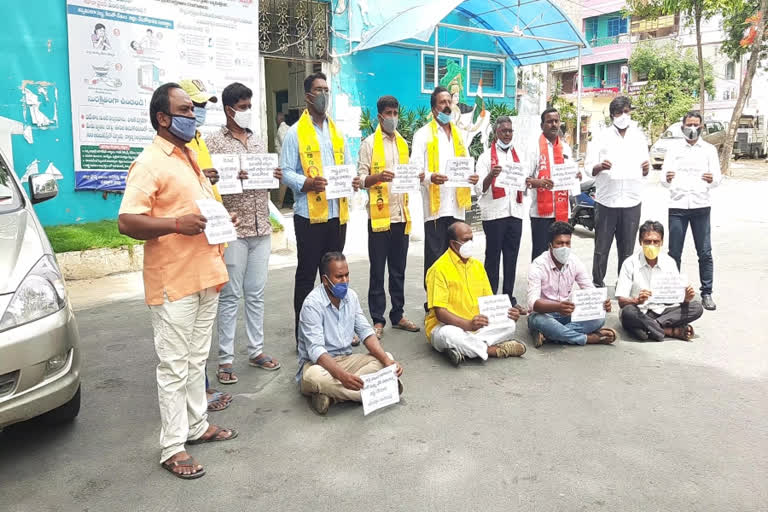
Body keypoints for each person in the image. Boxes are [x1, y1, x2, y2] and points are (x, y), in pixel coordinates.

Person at [117, 83, 237, 479]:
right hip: (174, 281)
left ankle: (197, 426)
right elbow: (127, 220)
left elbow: (198, 212)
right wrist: (175, 225)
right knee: (172, 365)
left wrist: (221, 223)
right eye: (186, 110)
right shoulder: (150, 162)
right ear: (163, 118)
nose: (194, 116)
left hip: (206, 275)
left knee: (194, 361)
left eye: (194, 110)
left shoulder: (190, 157)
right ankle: (172, 446)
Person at [206, 82, 283, 383]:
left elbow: (263, 177)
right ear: (229, 110)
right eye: (243, 107)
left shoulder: (258, 140)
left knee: (256, 292)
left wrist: (272, 175)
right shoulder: (213, 143)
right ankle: (225, 360)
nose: (248, 112)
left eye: (250, 106)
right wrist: (227, 176)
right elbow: (207, 182)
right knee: (229, 295)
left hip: (261, 226)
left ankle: (256, 350)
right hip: (233, 228)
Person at [281, 72, 361, 344]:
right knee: (306, 275)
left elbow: (347, 166)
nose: (324, 94)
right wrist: (307, 182)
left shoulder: (336, 131)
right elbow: (285, 172)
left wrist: (353, 180)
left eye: (327, 88)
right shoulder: (295, 133)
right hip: (309, 217)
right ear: (308, 96)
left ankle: (338, 330)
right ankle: (305, 336)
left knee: (335, 275)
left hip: (336, 215)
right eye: (319, 89)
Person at [297, 252, 404, 415]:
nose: (345, 281)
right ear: (325, 280)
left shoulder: (351, 296)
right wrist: (342, 376)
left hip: (346, 360)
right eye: (339, 277)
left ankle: (332, 397)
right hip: (319, 365)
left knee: (385, 357)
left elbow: (366, 333)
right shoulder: (312, 304)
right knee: (314, 376)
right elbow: (316, 351)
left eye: (347, 275)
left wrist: (387, 362)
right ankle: (374, 392)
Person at [178, 78, 231, 411]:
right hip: (188, 250)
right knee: (188, 332)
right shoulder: (170, 152)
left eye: (201, 107)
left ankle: (201, 388)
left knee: (200, 332)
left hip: (211, 240)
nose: (198, 113)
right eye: (191, 107)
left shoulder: (197, 140)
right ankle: (199, 392)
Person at [357, 95, 422, 339]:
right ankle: (378, 319)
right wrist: (378, 178)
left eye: (395, 112)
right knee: (377, 270)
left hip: (401, 215)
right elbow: (361, 178)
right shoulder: (369, 144)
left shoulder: (403, 144)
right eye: (388, 113)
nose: (392, 117)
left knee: (398, 269)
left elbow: (409, 174)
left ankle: (398, 314)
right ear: (379, 116)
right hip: (378, 215)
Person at [412, 86, 479, 310]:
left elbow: (465, 165)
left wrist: (472, 177)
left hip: (457, 207)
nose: (447, 105)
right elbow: (414, 170)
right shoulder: (422, 135)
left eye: (449, 101)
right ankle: (433, 304)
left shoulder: (460, 136)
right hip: (436, 209)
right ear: (433, 109)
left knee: (459, 254)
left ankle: (454, 302)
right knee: (435, 257)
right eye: (442, 102)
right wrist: (431, 177)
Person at [425, 221, 527, 366]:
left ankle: (462, 349)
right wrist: (467, 325)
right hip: (446, 325)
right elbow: (441, 314)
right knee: (449, 335)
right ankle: (494, 350)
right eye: (466, 240)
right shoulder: (438, 269)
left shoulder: (478, 266)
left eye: (471, 239)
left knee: (510, 324)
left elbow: (490, 302)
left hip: (476, 325)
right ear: (453, 244)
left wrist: (507, 313)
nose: (470, 243)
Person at [586, 96, 650, 287]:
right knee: (601, 248)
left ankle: (624, 285)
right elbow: (589, 167)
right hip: (607, 201)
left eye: (627, 111)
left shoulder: (639, 136)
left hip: (631, 200)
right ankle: (597, 284)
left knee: (627, 249)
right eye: (619, 112)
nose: (623, 116)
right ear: (612, 115)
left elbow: (645, 168)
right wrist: (600, 166)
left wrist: (646, 169)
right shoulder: (601, 137)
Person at [661, 111, 721, 311]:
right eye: (689, 124)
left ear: (702, 127)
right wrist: (668, 179)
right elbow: (663, 178)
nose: (692, 128)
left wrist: (712, 180)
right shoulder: (674, 149)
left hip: (700, 205)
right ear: (682, 127)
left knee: (704, 252)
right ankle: (673, 292)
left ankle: (706, 292)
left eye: (696, 124)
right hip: (677, 206)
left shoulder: (709, 150)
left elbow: (718, 178)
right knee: (674, 252)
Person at [527, 221, 616, 347]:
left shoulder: (575, 262)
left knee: (599, 319)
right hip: (544, 314)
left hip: (567, 313)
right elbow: (533, 303)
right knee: (538, 321)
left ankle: (550, 335)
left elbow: (589, 289)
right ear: (550, 245)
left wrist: (601, 302)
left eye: (567, 243)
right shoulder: (538, 265)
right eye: (559, 243)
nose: (564, 247)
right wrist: (557, 307)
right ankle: (588, 338)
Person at [616, 220, 704, 341]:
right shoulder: (629, 263)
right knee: (627, 313)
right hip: (640, 311)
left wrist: (685, 299)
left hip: (664, 312)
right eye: (647, 241)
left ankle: (650, 328)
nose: (652, 245)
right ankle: (670, 330)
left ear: (661, 242)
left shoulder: (669, 262)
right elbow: (621, 301)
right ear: (640, 242)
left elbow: (675, 298)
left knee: (696, 307)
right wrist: (636, 300)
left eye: (656, 242)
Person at [474, 116, 527, 313]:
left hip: (515, 211)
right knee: (493, 257)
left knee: (511, 257)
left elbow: (524, 182)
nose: (507, 134)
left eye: (510, 131)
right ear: (496, 132)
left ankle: (509, 298)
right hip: (495, 214)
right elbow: (479, 188)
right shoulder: (485, 157)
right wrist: (491, 175)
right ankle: (490, 299)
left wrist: (528, 181)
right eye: (504, 131)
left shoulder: (519, 155)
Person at [527, 108, 575, 261]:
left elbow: (571, 175)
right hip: (541, 214)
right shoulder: (534, 148)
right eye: (549, 121)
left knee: (561, 253)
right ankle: (538, 284)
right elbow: (524, 179)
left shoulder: (565, 148)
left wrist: (576, 176)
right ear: (542, 125)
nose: (554, 124)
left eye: (556, 121)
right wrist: (538, 182)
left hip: (561, 212)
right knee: (541, 255)